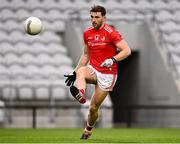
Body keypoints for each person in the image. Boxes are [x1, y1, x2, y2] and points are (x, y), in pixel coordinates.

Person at [64, 5, 131, 139]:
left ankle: (88, 129)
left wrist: (113, 60)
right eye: (92, 17)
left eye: (97, 17)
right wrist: (74, 72)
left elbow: (127, 51)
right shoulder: (87, 33)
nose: (93, 20)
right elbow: (85, 56)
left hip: (108, 74)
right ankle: (81, 95)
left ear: (103, 18)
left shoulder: (111, 32)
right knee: (82, 71)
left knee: (93, 108)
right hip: (93, 69)